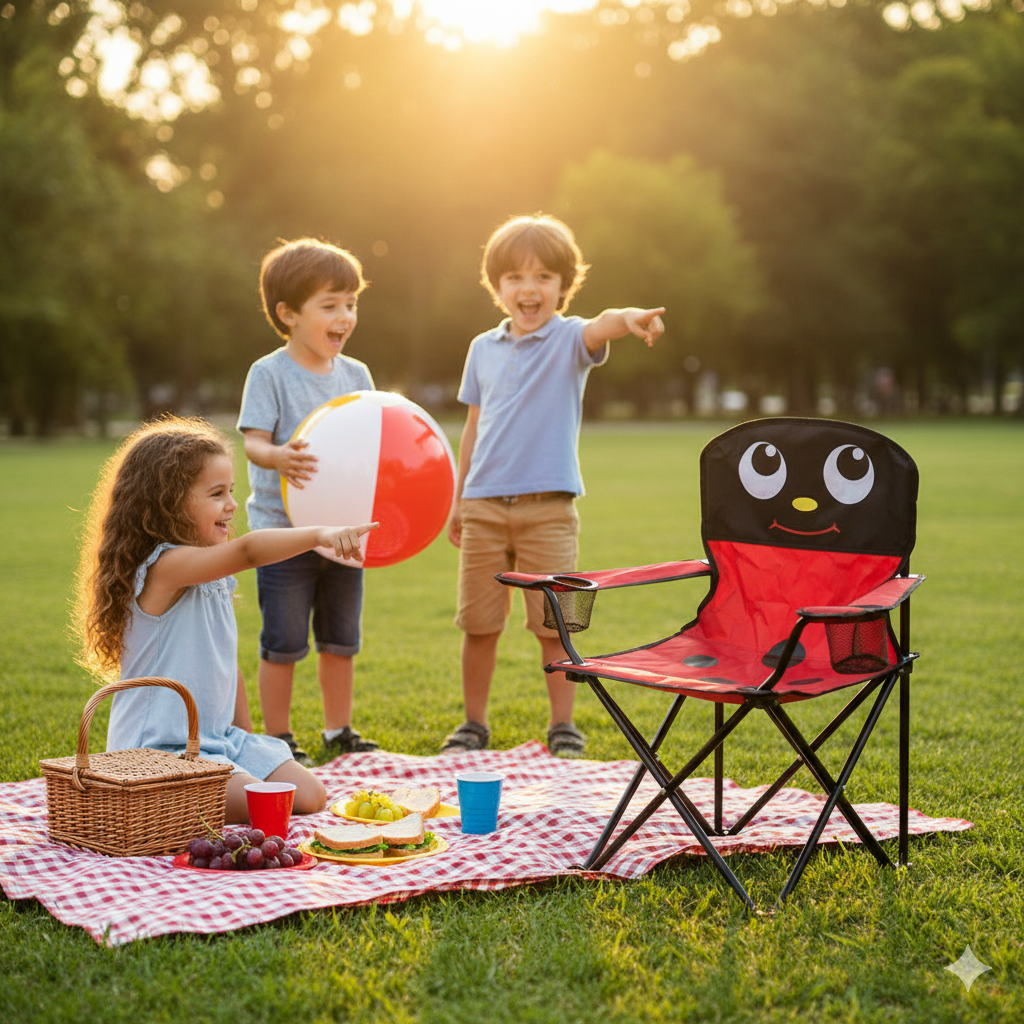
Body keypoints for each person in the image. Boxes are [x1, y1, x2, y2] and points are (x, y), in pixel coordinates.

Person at [74, 416, 378, 823]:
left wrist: (247, 742)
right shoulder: (165, 568)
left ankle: (212, 789)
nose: (232, 505)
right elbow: (250, 551)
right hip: (158, 753)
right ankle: (161, 808)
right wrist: (319, 534)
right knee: (268, 805)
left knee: (309, 795)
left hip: (216, 742)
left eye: (231, 491)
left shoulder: (210, 576)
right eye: (217, 494)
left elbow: (224, 663)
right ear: (167, 502)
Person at [443, 213, 665, 758]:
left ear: (564, 287)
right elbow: (474, 426)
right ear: (497, 287)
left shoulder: (569, 339)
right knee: (479, 624)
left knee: (554, 625)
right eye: (515, 277)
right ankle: (473, 725)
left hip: (550, 509)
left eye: (544, 276)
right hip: (484, 505)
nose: (529, 288)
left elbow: (604, 322)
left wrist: (631, 316)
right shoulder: (482, 348)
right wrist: (458, 498)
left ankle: (562, 725)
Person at [237, 238, 379, 765]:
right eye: (331, 305)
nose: (344, 316)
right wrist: (277, 456)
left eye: (351, 304)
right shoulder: (269, 373)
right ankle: (279, 738)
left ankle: (338, 730)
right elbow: (252, 441)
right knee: (284, 639)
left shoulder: (357, 375)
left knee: (341, 638)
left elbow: (372, 442)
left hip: (344, 532)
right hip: (282, 534)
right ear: (289, 313)